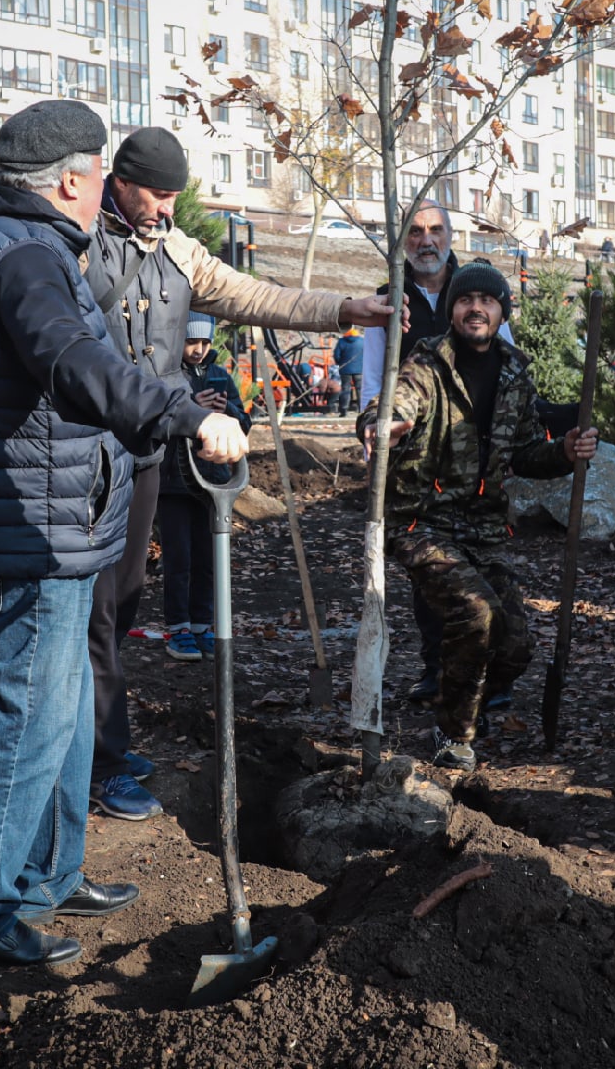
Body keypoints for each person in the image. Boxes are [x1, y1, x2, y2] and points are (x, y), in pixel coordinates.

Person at [0, 100, 247, 968]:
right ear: (71, 181)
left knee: (59, 713)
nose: (105, 187)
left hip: (39, 518)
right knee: (26, 719)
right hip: (28, 530)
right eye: (101, 172)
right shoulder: (22, 257)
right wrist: (185, 415)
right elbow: (76, 364)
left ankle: (47, 878)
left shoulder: (6, 245)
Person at [83, 125, 396, 821]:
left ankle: (98, 740)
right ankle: (100, 762)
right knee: (97, 613)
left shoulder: (177, 249)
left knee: (124, 600)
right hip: (83, 455)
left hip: (146, 451)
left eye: (174, 196)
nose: (166, 209)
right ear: (120, 183)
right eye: (156, 195)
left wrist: (344, 310)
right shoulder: (80, 242)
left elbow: (253, 295)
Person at [378, 259, 599, 770]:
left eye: (487, 301)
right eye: (465, 300)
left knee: (515, 644)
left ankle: (462, 697)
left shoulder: (514, 371)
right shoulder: (426, 364)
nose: (475, 308)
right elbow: (397, 403)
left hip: (484, 528)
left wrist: (565, 450)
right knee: (477, 614)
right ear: (452, 310)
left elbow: (525, 452)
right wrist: (386, 422)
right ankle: (452, 735)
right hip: (422, 522)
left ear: (502, 312)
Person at [360, 201, 515, 706]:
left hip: (475, 459)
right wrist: (374, 433)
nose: (426, 240)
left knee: (480, 569)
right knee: (432, 575)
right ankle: (437, 669)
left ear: (450, 235)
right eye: (415, 232)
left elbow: (509, 367)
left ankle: (483, 675)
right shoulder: (388, 300)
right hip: (416, 461)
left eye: (435, 230)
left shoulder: (478, 292)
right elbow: (373, 382)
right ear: (403, 240)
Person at [158, 313, 251, 662]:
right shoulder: (169, 377)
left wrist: (227, 410)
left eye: (204, 342)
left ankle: (201, 625)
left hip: (213, 481)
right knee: (178, 559)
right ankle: (178, 628)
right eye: (191, 342)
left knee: (207, 559)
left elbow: (244, 422)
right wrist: (194, 411)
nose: (198, 349)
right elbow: (158, 421)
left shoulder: (220, 376)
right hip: (174, 482)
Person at [333, 326, 364, 416]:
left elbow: (336, 355)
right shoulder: (362, 341)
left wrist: (340, 363)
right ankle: (361, 409)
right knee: (360, 389)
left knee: (345, 389)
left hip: (345, 369)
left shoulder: (342, 341)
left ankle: (344, 410)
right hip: (359, 370)